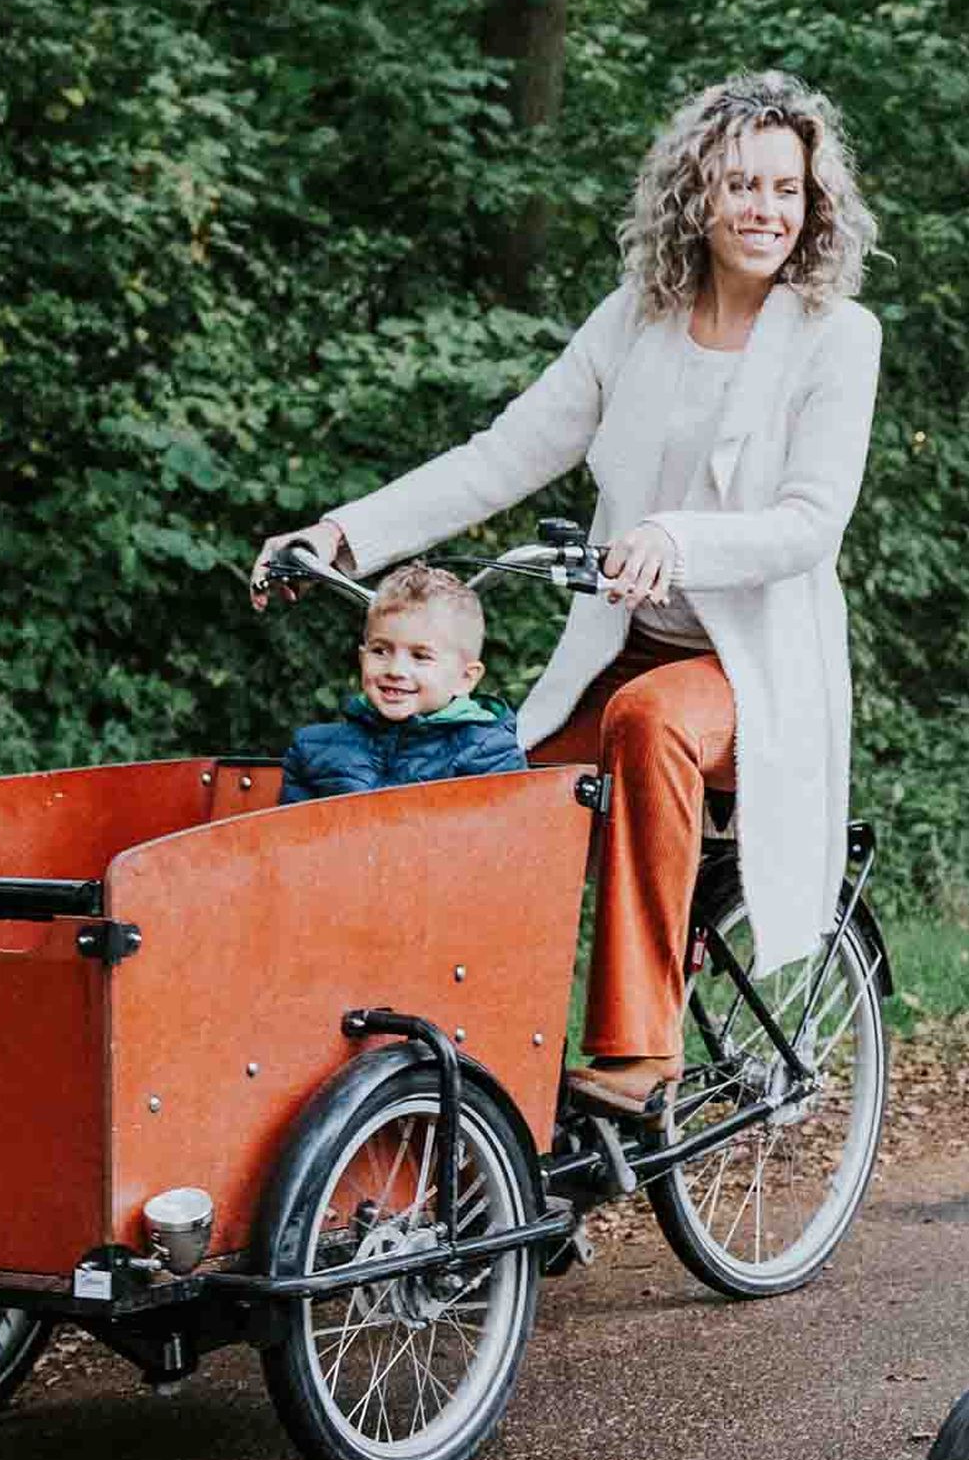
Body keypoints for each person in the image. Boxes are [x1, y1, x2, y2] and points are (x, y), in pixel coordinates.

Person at [258, 72, 882, 1129]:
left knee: (648, 727)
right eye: (741, 184)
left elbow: (808, 525)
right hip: (622, 651)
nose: (766, 209)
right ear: (698, 193)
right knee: (485, 787)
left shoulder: (837, 336)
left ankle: (640, 1052)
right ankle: (485, 1081)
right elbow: (505, 454)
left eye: (788, 188)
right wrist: (344, 533)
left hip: (753, 677)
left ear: (815, 204)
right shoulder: (637, 320)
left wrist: (674, 538)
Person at [276, 565, 527, 799]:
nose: (395, 670)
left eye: (420, 656)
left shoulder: (488, 755)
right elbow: (290, 841)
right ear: (362, 657)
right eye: (380, 651)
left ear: (465, 678)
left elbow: (503, 842)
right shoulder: (314, 751)